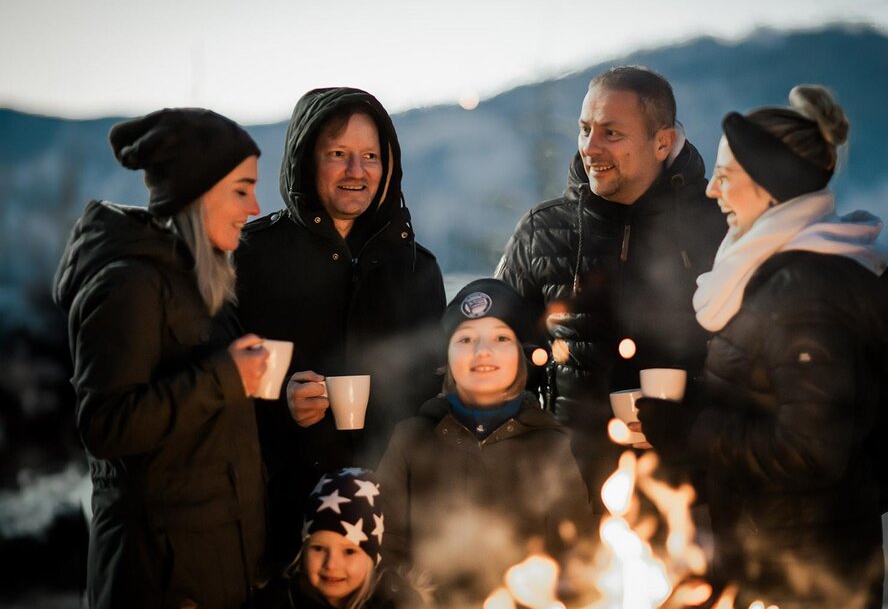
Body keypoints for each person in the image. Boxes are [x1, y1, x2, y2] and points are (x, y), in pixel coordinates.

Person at [634, 85, 888, 608]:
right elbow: (780, 400)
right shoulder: (781, 271)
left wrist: (691, 428)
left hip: (805, 575)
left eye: (726, 177)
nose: (712, 191)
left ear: (772, 189)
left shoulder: (806, 294)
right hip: (786, 556)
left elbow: (810, 451)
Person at [52, 108, 270, 608]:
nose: (255, 207)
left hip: (211, 569)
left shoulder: (200, 283)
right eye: (241, 190)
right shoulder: (129, 283)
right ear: (197, 194)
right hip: (157, 578)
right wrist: (224, 377)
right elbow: (105, 427)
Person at [233, 87, 446, 571]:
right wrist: (279, 403)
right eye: (338, 154)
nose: (357, 171)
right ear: (307, 159)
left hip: (391, 525)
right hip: (278, 521)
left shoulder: (418, 269)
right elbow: (213, 385)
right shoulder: (252, 258)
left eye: (371, 156)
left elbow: (432, 400)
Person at [496, 66, 727, 500]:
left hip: (691, 494)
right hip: (568, 493)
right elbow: (498, 349)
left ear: (663, 142)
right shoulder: (541, 231)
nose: (590, 147)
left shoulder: (718, 231)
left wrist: (695, 415)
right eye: (585, 130)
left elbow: (750, 364)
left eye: (611, 134)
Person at [377, 279, 594, 608]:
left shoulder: (550, 446)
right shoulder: (411, 439)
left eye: (501, 337)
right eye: (465, 339)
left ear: (521, 355)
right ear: (446, 357)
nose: (482, 351)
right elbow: (383, 546)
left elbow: (576, 554)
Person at [254, 468, 424, 609]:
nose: (331, 564)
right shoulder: (277, 602)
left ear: (371, 558)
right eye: (318, 548)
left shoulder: (399, 604)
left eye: (349, 551)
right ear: (303, 550)